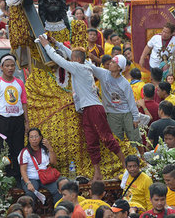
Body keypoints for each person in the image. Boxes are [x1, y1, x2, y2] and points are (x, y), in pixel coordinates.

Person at [39, 35, 126, 180]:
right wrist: (57, 43)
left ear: (77, 60)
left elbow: (59, 59)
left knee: (106, 138)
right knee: (91, 141)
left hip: (93, 108)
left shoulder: (78, 67)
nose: (70, 59)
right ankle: (97, 173)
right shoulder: (84, 64)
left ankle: (124, 164)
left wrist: (47, 45)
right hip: (87, 109)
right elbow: (69, 53)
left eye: (72, 58)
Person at [0, 54, 29, 181]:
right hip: (3, 120)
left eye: (12, 65)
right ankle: (5, 176)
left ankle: (18, 177)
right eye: (7, 66)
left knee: (18, 148)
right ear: (1, 67)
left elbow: (24, 103)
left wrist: (26, 121)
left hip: (18, 119)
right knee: (4, 149)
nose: (10, 68)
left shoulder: (19, 83)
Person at [88, 54, 141, 149]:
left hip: (126, 113)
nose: (110, 64)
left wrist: (135, 118)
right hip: (112, 115)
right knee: (117, 140)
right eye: (111, 62)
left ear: (119, 67)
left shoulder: (124, 83)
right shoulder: (103, 74)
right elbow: (89, 66)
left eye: (113, 62)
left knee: (135, 139)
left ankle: (141, 157)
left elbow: (131, 102)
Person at [19, 127, 61, 204]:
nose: (34, 139)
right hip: (31, 178)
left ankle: (59, 212)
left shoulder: (44, 149)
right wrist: (28, 183)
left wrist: (50, 148)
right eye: (31, 137)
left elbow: (54, 163)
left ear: (41, 137)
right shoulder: (24, 152)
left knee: (58, 190)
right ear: (28, 139)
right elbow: (23, 170)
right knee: (30, 193)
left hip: (45, 177)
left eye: (36, 136)